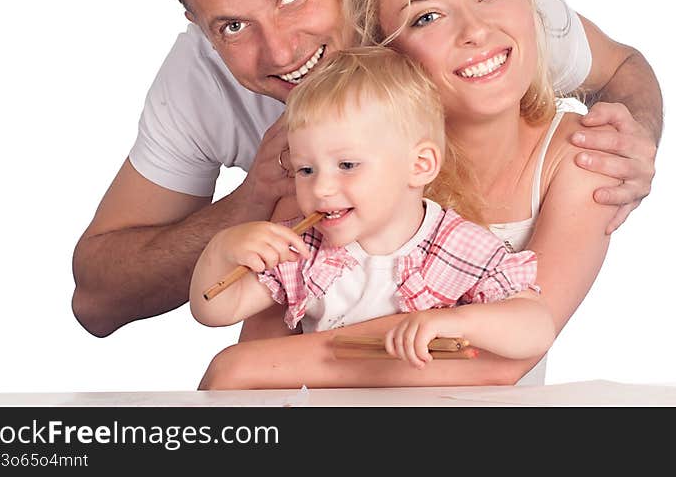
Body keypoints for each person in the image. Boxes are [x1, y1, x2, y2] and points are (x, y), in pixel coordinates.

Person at [72, 0, 661, 341]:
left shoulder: (470, 16)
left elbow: (622, 69)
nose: (280, 49)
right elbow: (96, 301)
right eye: (231, 25)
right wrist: (252, 199)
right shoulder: (200, 84)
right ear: (199, 28)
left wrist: (635, 137)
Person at [197, 0, 625, 389]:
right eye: (426, 16)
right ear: (385, 50)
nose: (476, 30)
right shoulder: (335, 174)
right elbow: (261, 358)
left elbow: (505, 356)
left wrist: (239, 367)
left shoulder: (584, 156)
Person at [189, 47, 551, 368]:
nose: (322, 187)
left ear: (419, 165)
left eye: (347, 165)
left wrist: (455, 323)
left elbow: (535, 327)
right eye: (305, 169)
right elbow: (216, 310)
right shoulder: (306, 249)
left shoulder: (455, 245)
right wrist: (222, 251)